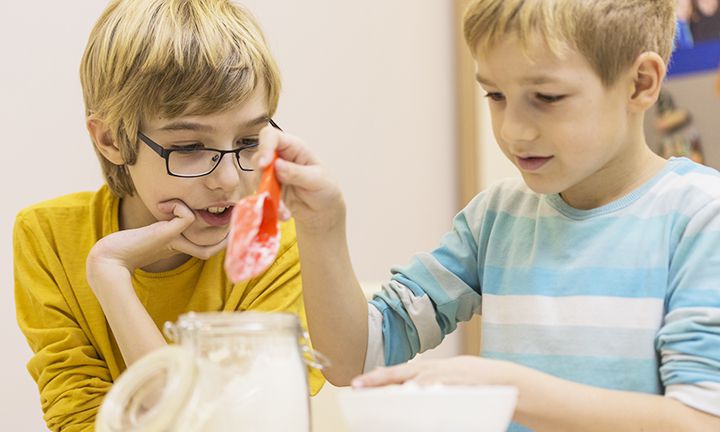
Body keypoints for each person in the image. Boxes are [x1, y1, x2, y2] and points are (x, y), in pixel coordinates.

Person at [253, 0, 720, 431]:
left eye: (547, 97)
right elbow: (352, 360)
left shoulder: (700, 217)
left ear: (640, 83)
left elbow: (700, 419)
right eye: (495, 96)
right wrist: (322, 229)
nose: (513, 129)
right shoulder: (496, 216)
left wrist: (508, 391)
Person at [13, 0, 324, 430]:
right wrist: (109, 271)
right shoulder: (47, 236)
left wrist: (113, 273)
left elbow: (240, 424)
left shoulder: (277, 245)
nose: (229, 180)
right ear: (110, 139)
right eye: (191, 148)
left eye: (250, 139)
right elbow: (79, 419)